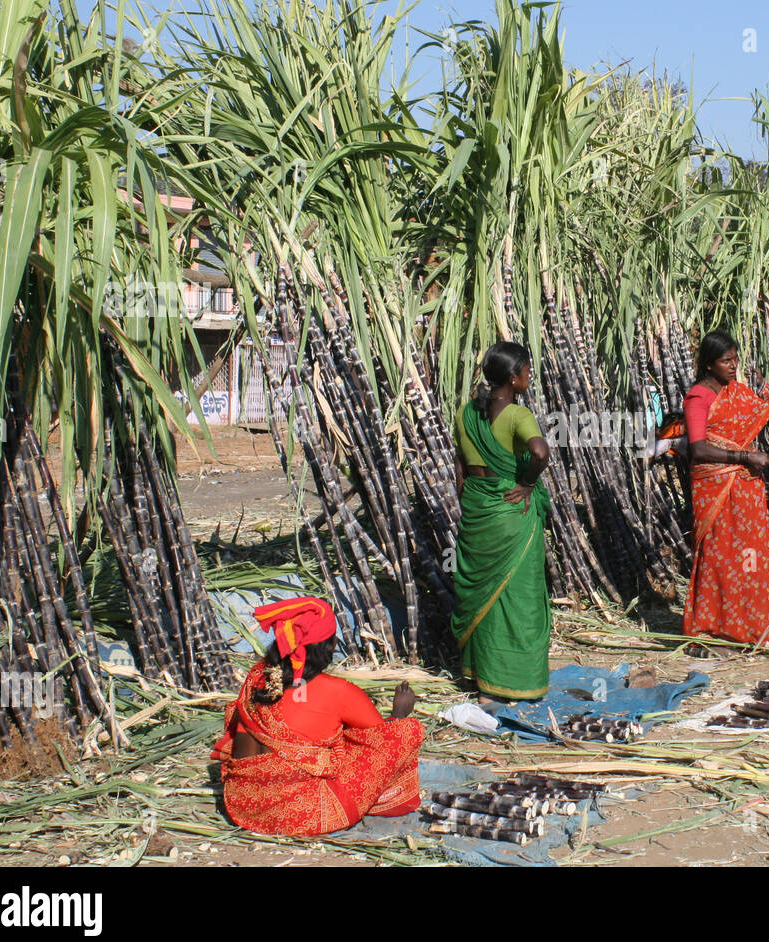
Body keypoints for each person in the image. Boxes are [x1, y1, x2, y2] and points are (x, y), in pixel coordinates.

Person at [212, 597, 423, 836]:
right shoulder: (338, 691)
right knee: (407, 732)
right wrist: (399, 714)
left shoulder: (257, 676)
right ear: (328, 647)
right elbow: (381, 738)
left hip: (242, 804)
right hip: (301, 815)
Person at [683, 329, 769, 648]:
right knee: (719, 556)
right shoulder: (699, 397)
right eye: (726, 361)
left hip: (746, 487)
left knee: (749, 555)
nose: (733, 366)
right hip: (715, 486)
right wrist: (744, 455)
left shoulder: (738, 391)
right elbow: (698, 448)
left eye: (735, 359)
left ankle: (751, 625)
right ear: (709, 364)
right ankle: (712, 627)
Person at [451, 342, 552, 703]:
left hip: (478, 510)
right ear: (513, 377)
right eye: (527, 370)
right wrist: (526, 484)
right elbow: (540, 453)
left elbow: (460, 465)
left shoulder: (466, 414)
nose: (530, 375)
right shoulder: (517, 415)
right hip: (511, 514)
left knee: (484, 598)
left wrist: (468, 500)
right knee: (518, 596)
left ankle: (479, 678)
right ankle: (513, 680)